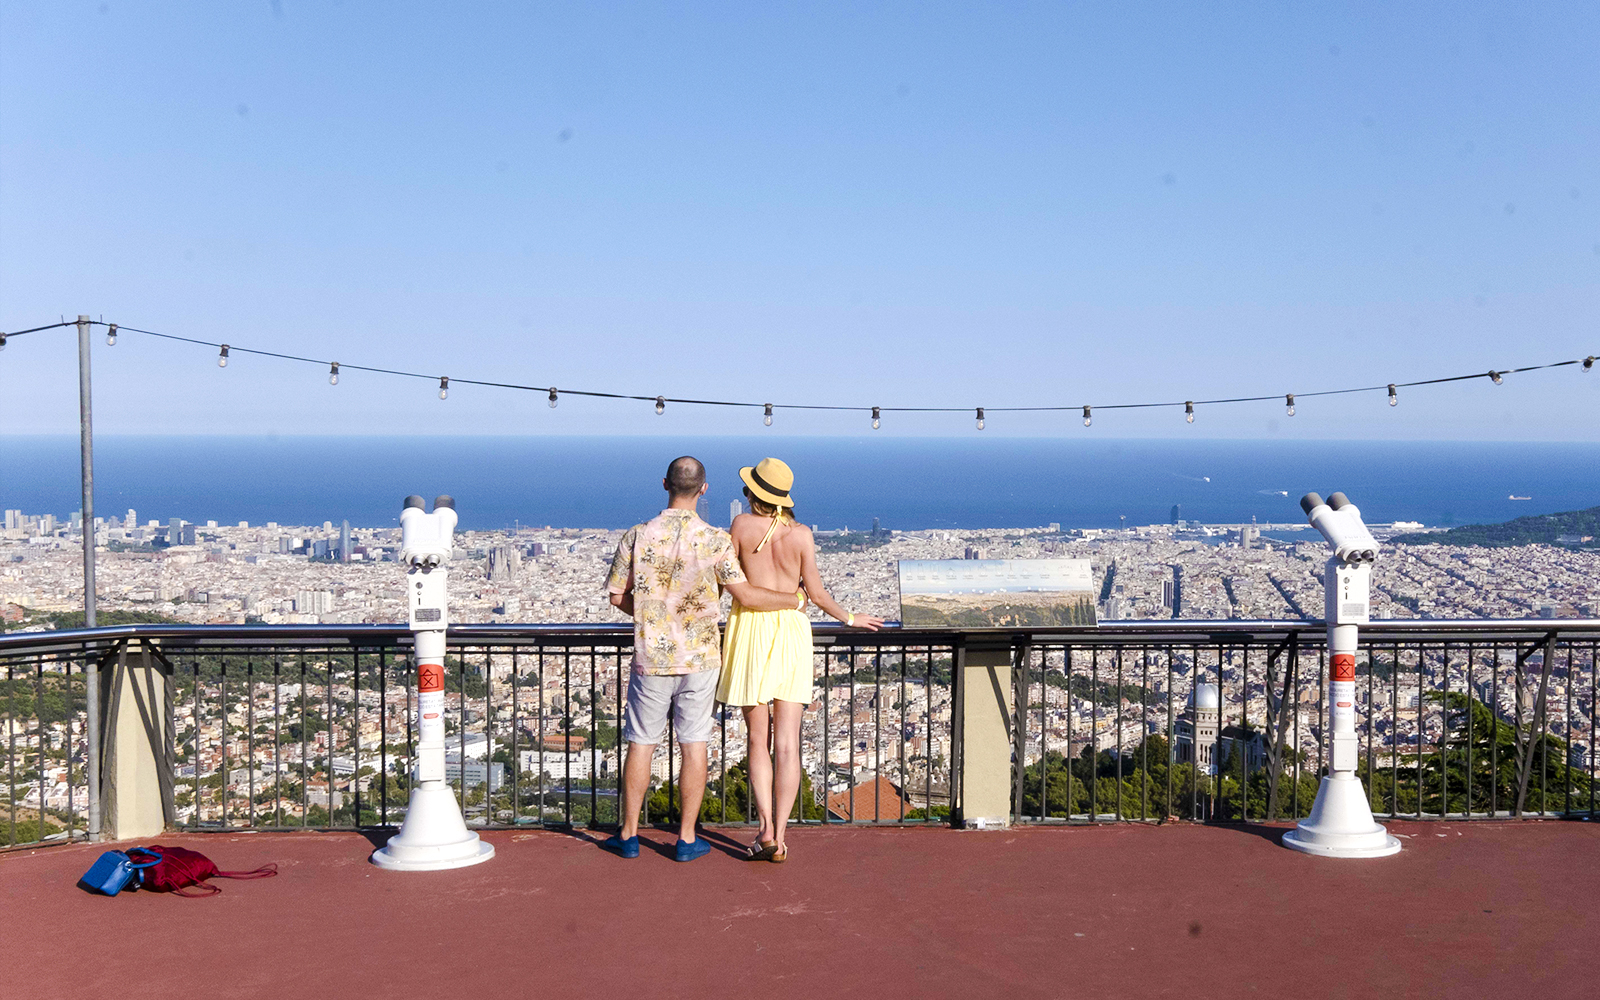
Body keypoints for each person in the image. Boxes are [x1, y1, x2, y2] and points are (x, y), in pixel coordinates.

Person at [602, 456, 803, 862]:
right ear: (705, 489)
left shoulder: (637, 535)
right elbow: (745, 594)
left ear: (664, 484)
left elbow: (616, 596)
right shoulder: (715, 540)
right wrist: (796, 599)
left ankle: (628, 835)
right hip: (701, 657)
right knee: (694, 746)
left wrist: (656, 614)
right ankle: (687, 838)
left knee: (641, 743)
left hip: (652, 655)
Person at [718, 457, 883, 863]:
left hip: (751, 629)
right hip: (792, 630)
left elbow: (726, 584)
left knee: (758, 738)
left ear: (754, 493)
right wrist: (850, 617)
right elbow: (818, 594)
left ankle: (765, 830)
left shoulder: (739, 527)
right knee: (788, 743)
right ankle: (784, 833)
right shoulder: (803, 535)